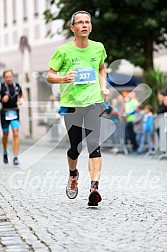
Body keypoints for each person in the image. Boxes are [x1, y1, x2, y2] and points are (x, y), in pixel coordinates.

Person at [47, 10, 110, 206]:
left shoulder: (98, 48)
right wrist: (62, 78)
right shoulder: (64, 51)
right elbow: (50, 75)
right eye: (80, 22)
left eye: (87, 22)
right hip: (72, 105)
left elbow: (101, 67)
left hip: (93, 103)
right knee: (76, 147)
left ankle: (94, 187)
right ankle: (73, 174)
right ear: (72, 27)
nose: (84, 25)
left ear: (91, 26)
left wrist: (103, 86)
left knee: (94, 144)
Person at [0, 69, 24, 165]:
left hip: (14, 112)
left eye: (10, 76)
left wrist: (21, 100)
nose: (9, 79)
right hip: (4, 112)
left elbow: (22, 95)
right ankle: (5, 152)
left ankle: (15, 157)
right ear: (4, 78)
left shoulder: (17, 86)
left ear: (12, 76)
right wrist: (2, 99)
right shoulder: (1, 87)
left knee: (16, 133)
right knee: (5, 135)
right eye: (7, 77)